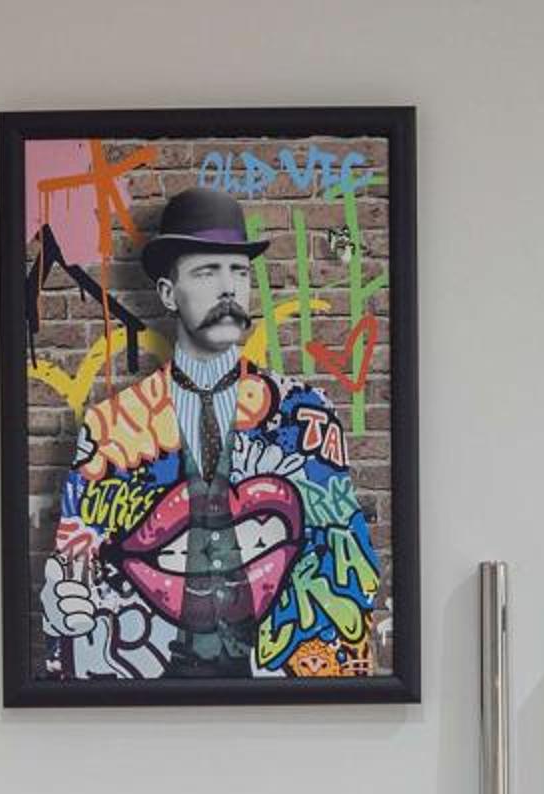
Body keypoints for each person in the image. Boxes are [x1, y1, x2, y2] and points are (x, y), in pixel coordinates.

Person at [40, 188, 385, 681]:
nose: (228, 289)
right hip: (146, 684)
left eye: (239, 272)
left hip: (280, 685)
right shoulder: (111, 425)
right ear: (167, 293)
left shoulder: (302, 414)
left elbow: (344, 560)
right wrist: (66, 610)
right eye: (207, 271)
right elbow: (78, 566)